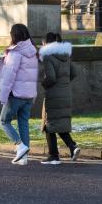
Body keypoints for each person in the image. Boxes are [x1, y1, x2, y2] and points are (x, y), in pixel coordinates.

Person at [0, 23, 39, 165]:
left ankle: (20, 145)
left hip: (16, 94)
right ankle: (24, 158)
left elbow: (9, 75)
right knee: (23, 123)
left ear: (14, 35)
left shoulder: (15, 52)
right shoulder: (33, 51)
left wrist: (3, 96)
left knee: (4, 121)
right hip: (28, 95)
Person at [38, 31, 81, 165]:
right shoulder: (65, 56)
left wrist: (43, 84)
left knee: (48, 124)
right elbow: (74, 73)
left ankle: (54, 156)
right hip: (65, 93)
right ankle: (73, 147)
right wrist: (64, 84)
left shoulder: (48, 57)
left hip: (54, 94)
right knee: (58, 124)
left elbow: (50, 77)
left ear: (46, 43)